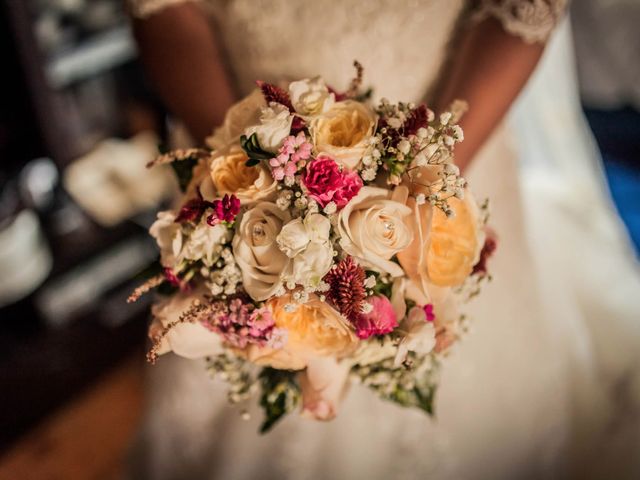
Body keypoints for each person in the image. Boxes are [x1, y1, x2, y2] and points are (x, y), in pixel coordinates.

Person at [126, 1, 640, 479]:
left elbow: (526, 8)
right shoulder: (251, 168)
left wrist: (426, 183)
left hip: (453, 135)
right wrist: (250, 167)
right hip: (238, 134)